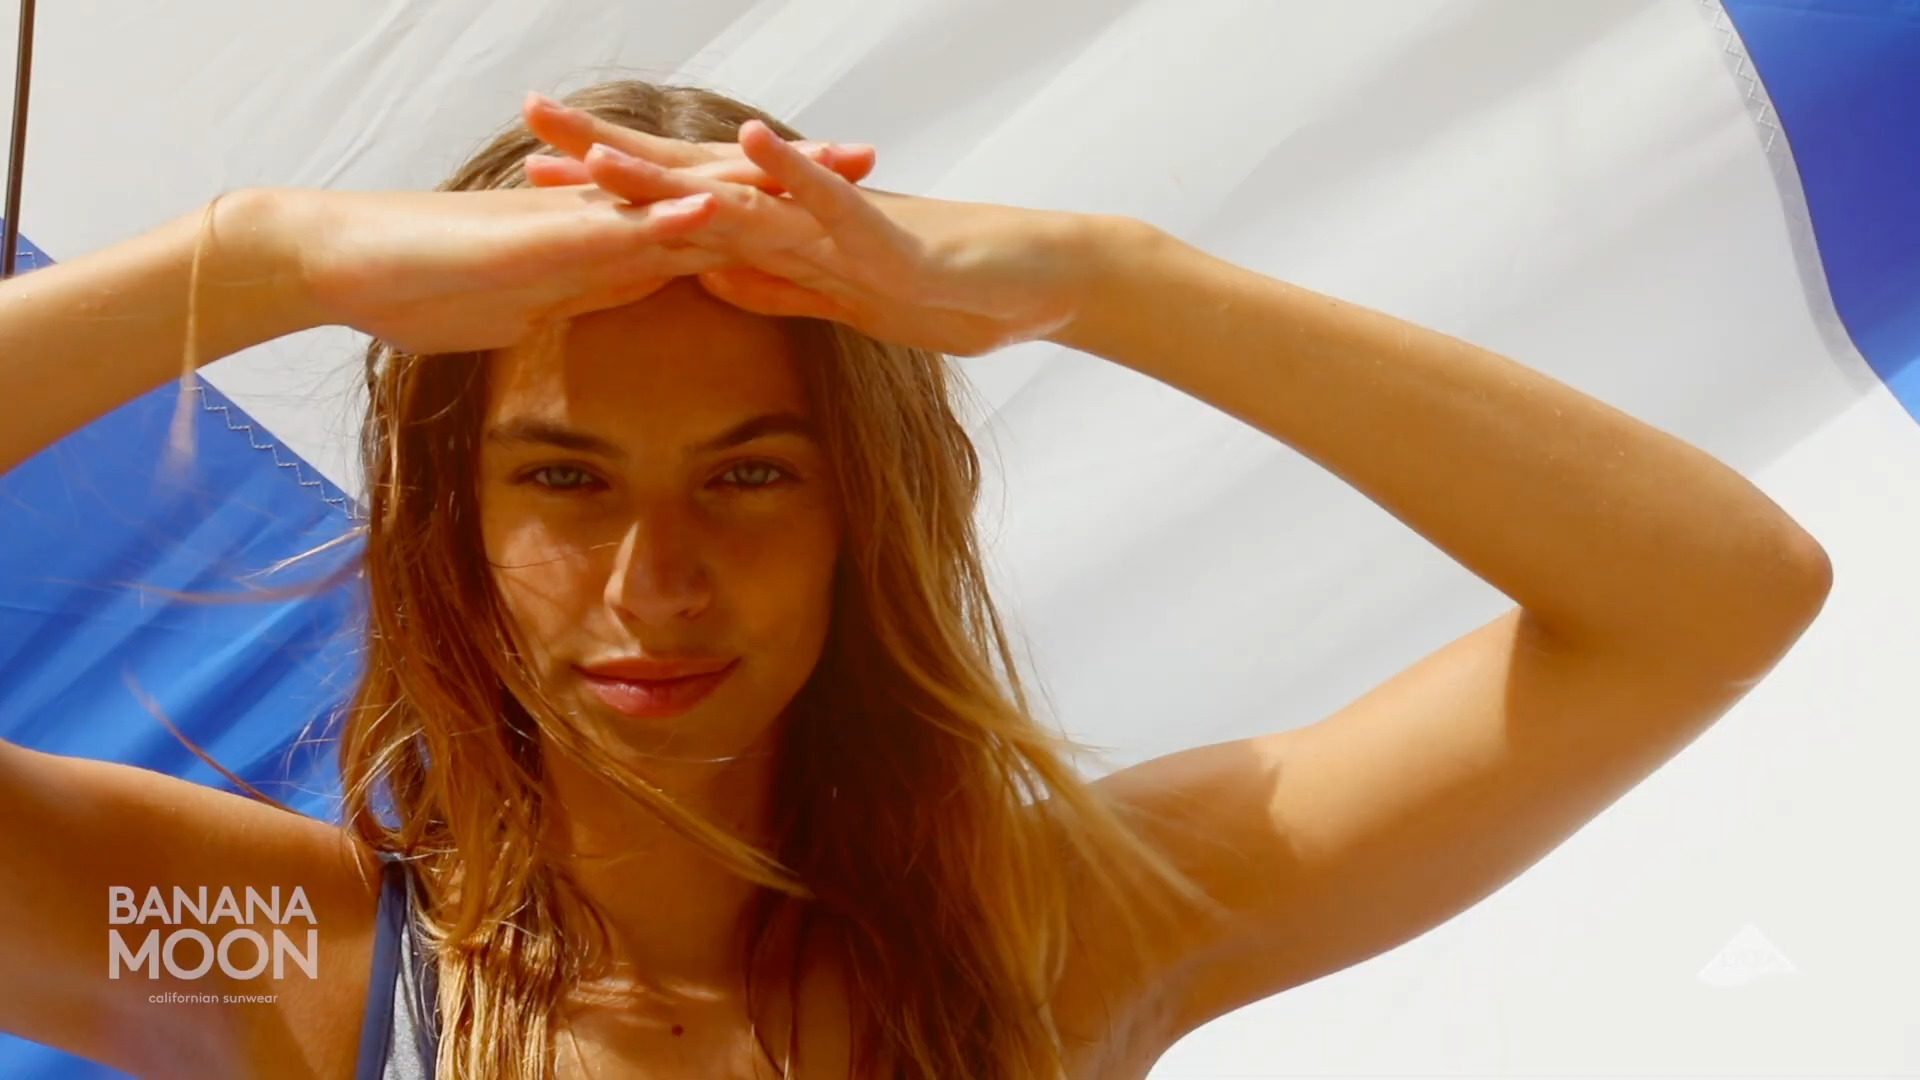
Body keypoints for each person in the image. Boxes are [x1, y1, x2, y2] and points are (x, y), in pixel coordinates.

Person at [0, 78, 1832, 1080]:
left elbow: (1713, 597)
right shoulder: (276, 954)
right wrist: (255, 261)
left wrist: (1111, 278)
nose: (656, 582)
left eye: (752, 475)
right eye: (564, 476)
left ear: (861, 516)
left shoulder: (1063, 945)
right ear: (451, 527)